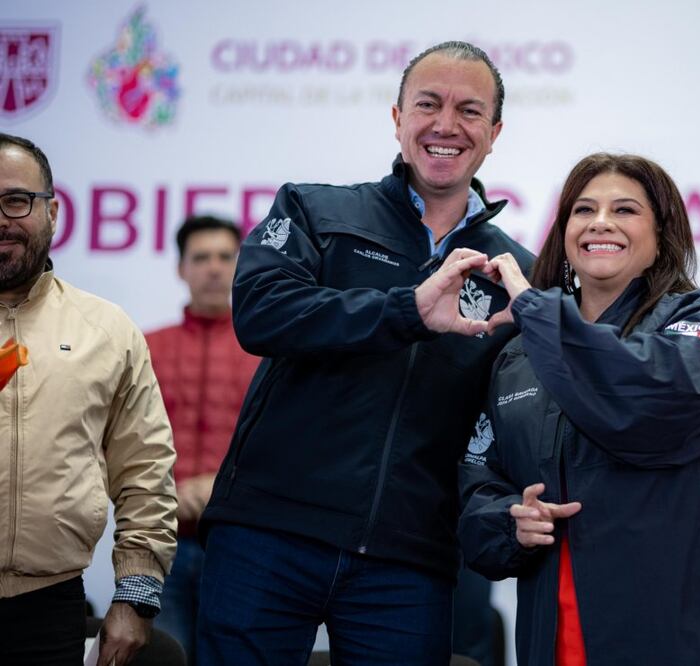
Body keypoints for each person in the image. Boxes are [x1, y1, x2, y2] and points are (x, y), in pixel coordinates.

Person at [197, 41, 533, 664]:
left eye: (469, 111)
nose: (445, 125)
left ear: (494, 133)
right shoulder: (316, 210)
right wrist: (405, 310)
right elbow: (261, 312)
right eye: (427, 104)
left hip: (410, 560)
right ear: (397, 117)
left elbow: (514, 418)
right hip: (269, 532)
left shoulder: (517, 273)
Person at [458, 153, 700, 665]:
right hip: (559, 637)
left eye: (625, 210)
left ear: (659, 243)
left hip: (685, 634)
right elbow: (479, 485)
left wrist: (535, 310)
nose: (600, 222)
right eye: (583, 210)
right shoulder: (516, 358)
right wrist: (508, 520)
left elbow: (635, 408)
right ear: (565, 236)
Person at [0, 132, 177, 666]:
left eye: (16, 201)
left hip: (47, 607)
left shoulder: (106, 329)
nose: (2, 218)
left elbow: (146, 471)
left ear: (52, 211)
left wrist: (136, 598)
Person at [144, 215, 260, 662]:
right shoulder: (144, 347)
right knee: (160, 657)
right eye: (200, 257)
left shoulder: (271, 351)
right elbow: (114, 442)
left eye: (225, 257)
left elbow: (289, 449)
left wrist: (221, 486)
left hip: (240, 547)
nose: (213, 268)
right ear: (180, 268)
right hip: (158, 544)